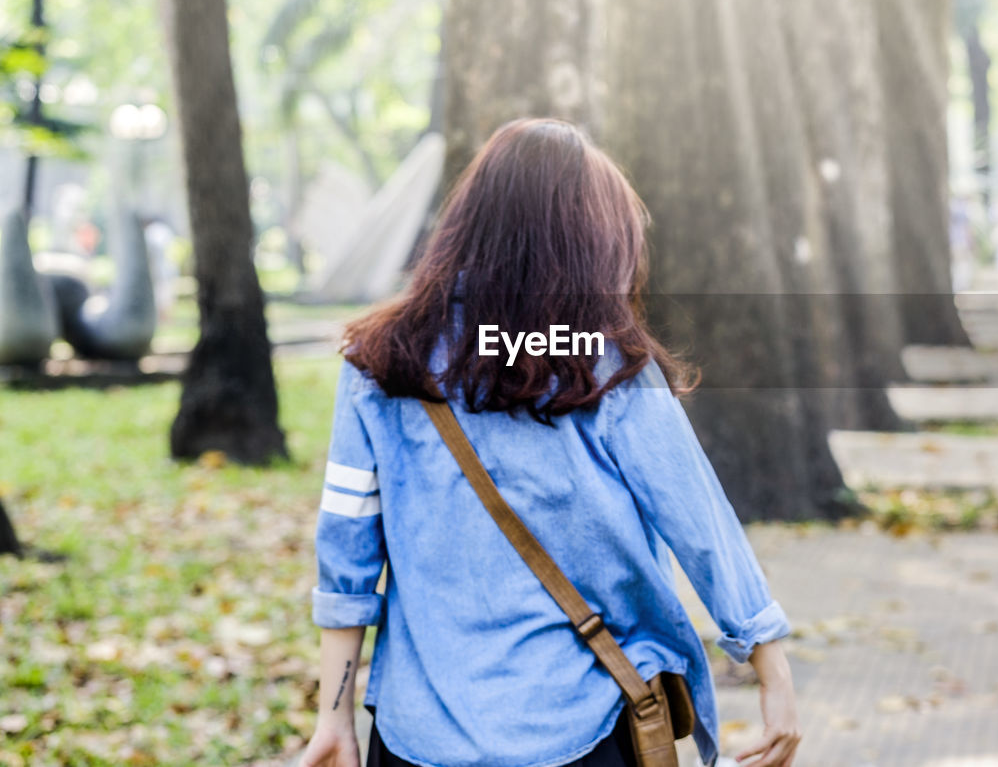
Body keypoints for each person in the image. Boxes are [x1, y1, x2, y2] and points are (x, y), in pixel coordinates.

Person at [300, 118, 800, 767]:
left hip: (418, 735)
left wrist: (333, 715)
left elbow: (348, 550)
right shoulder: (602, 361)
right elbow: (698, 519)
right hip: (580, 722)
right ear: (584, 240)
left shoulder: (378, 361)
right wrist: (773, 669)